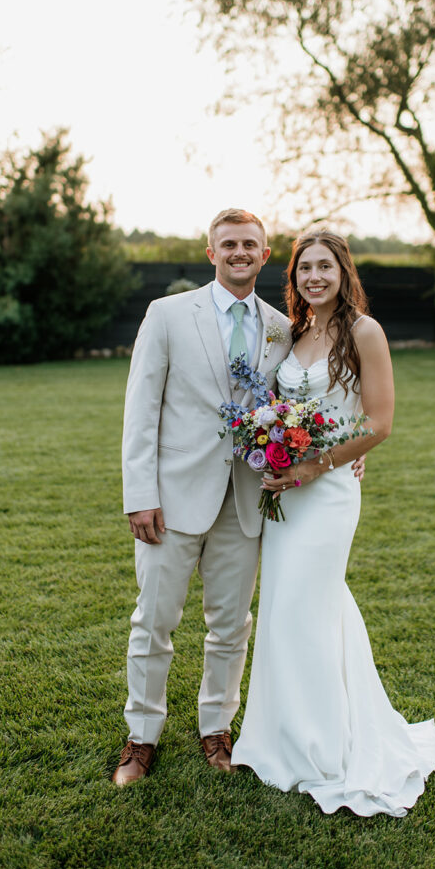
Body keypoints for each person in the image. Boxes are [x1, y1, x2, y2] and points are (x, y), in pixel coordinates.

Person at [231, 230, 435, 817]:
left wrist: (314, 466)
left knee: (309, 602)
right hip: (285, 491)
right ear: (295, 276)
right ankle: (283, 738)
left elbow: (378, 422)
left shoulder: (364, 332)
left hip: (326, 493)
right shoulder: (294, 332)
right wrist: (274, 452)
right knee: (287, 607)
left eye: (325, 266)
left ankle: (325, 751)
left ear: (343, 271)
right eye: (305, 268)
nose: (315, 277)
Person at [111, 208, 291, 784]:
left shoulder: (282, 328)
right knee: (153, 622)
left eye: (251, 245)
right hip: (171, 498)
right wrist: (139, 495)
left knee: (231, 626)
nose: (240, 253)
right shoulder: (166, 315)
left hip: (245, 501)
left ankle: (217, 729)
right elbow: (141, 410)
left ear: (266, 255)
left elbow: (299, 408)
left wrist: (348, 450)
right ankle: (141, 738)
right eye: (229, 244)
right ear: (211, 253)